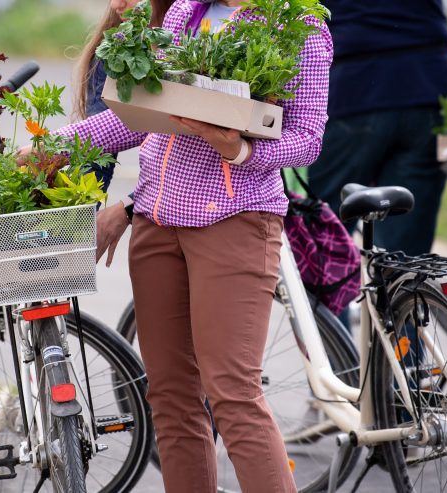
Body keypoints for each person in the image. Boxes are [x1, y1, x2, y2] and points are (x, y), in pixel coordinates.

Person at [52, 0, 333, 491]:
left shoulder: (299, 26)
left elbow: (307, 138)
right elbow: (141, 116)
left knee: (233, 394)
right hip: (158, 224)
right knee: (171, 397)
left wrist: (241, 149)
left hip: (236, 220)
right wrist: (56, 145)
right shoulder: (185, 10)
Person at [310, 0, 447, 256]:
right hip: (428, 87)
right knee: (405, 259)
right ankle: (404, 292)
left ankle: (324, 289)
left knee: (325, 241)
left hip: (353, 89)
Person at [72, 0, 174, 190]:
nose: (115, 4)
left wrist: (127, 208)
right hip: (152, 206)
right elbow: (99, 151)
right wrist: (78, 214)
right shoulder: (112, 53)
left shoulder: (197, 45)